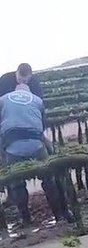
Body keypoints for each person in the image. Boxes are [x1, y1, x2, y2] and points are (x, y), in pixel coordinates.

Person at [0, 64, 68, 226]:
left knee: (17, 181)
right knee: (49, 176)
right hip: (36, 144)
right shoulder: (36, 99)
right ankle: (59, 214)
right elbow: (41, 123)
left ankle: (26, 220)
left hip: (12, 144)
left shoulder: (3, 99)